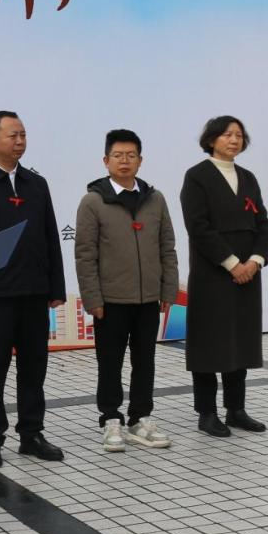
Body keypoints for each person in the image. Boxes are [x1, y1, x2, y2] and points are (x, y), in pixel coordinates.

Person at [0, 110, 66, 468]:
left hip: (34, 293)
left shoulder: (37, 184)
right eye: (12, 135)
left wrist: (56, 286)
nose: (20, 141)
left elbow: (50, 236)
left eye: (23, 135)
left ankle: (31, 434)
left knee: (34, 368)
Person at [75, 129, 178, 452]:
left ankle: (140, 418)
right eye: (118, 155)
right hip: (110, 300)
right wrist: (92, 298)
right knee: (110, 362)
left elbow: (167, 247)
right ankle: (110, 418)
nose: (124, 161)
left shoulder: (155, 199)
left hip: (148, 298)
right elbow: (85, 254)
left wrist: (168, 290)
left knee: (145, 361)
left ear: (140, 160)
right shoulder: (93, 202)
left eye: (131, 155)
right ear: (106, 160)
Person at [180, 116, 268, 437]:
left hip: (248, 274)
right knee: (208, 343)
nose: (234, 140)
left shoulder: (248, 177)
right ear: (211, 140)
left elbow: (263, 223)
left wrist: (255, 261)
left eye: (239, 135)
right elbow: (198, 227)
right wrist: (232, 264)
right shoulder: (197, 176)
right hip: (213, 274)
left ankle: (236, 409)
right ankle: (207, 413)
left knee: (240, 341)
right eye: (227, 134)